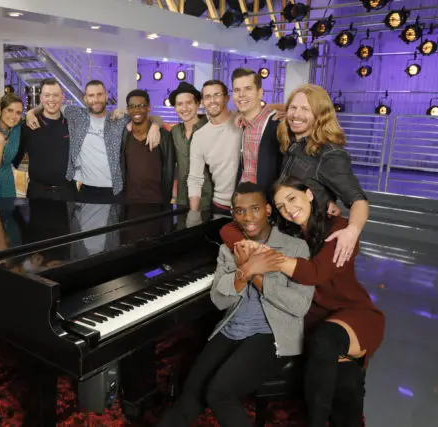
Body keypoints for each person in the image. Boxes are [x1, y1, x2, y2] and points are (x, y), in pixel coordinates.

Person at [222, 176, 385, 427]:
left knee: (326, 341)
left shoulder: (339, 228)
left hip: (351, 312)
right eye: (280, 206)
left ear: (309, 194)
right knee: (346, 376)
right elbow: (227, 229)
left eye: (292, 199)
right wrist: (250, 251)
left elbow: (314, 274)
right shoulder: (287, 230)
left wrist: (268, 256)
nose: (288, 210)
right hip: (312, 316)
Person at [159, 182, 314, 427]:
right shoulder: (227, 250)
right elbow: (219, 300)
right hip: (231, 329)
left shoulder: (295, 247)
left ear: (268, 210)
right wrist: (244, 273)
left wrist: (256, 276)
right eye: (240, 211)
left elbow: (299, 306)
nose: (248, 217)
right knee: (188, 399)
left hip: (272, 335)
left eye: (255, 209)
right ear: (233, 214)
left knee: (219, 393)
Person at [25, 80, 162, 203]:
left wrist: (155, 125)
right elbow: (50, 105)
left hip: (115, 190)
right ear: (85, 98)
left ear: (106, 96)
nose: (95, 99)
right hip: (86, 189)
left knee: (113, 231)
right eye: (91, 95)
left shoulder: (119, 120)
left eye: (99, 94)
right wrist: (30, 113)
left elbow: (148, 117)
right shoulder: (76, 114)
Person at [278, 84, 369, 267]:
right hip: (288, 236)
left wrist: (352, 231)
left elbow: (359, 201)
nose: (296, 114)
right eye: (293, 108)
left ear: (320, 115)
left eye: (306, 109)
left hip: (311, 245)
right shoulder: (294, 145)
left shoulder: (329, 154)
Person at [188, 80, 243, 214]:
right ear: (202, 101)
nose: (212, 100)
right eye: (207, 97)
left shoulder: (243, 121)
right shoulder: (199, 136)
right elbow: (195, 179)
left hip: (248, 204)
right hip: (220, 206)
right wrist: (193, 214)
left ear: (226, 98)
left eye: (217, 95)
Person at [16, 78, 76, 201]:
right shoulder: (28, 126)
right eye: (47, 95)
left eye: (55, 95)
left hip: (68, 193)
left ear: (62, 98)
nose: (51, 99)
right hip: (37, 193)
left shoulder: (73, 125)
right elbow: (15, 158)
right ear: (41, 98)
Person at [230, 68, 283, 195]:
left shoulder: (278, 124)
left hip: (267, 205)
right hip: (244, 200)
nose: (241, 94)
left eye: (248, 88)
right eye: (237, 90)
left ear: (260, 93)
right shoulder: (243, 124)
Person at [121, 89, 175, 204]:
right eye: (132, 106)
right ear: (128, 109)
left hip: (157, 203)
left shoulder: (163, 136)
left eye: (141, 105)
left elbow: (169, 170)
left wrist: (166, 201)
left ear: (148, 108)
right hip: (130, 203)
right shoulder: (124, 136)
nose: (136, 110)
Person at [169, 82, 212, 209]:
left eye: (188, 103)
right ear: (175, 108)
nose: (184, 108)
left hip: (207, 201)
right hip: (182, 200)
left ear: (198, 104)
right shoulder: (175, 131)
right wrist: (155, 123)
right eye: (179, 104)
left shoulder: (210, 127)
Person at [0, 93, 24, 198]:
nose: (14, 116)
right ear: (1, 110)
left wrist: (32, 112)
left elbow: (39, 111)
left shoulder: (19, 129)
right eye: (10, 110)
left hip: (7, 181)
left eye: (18, 113)